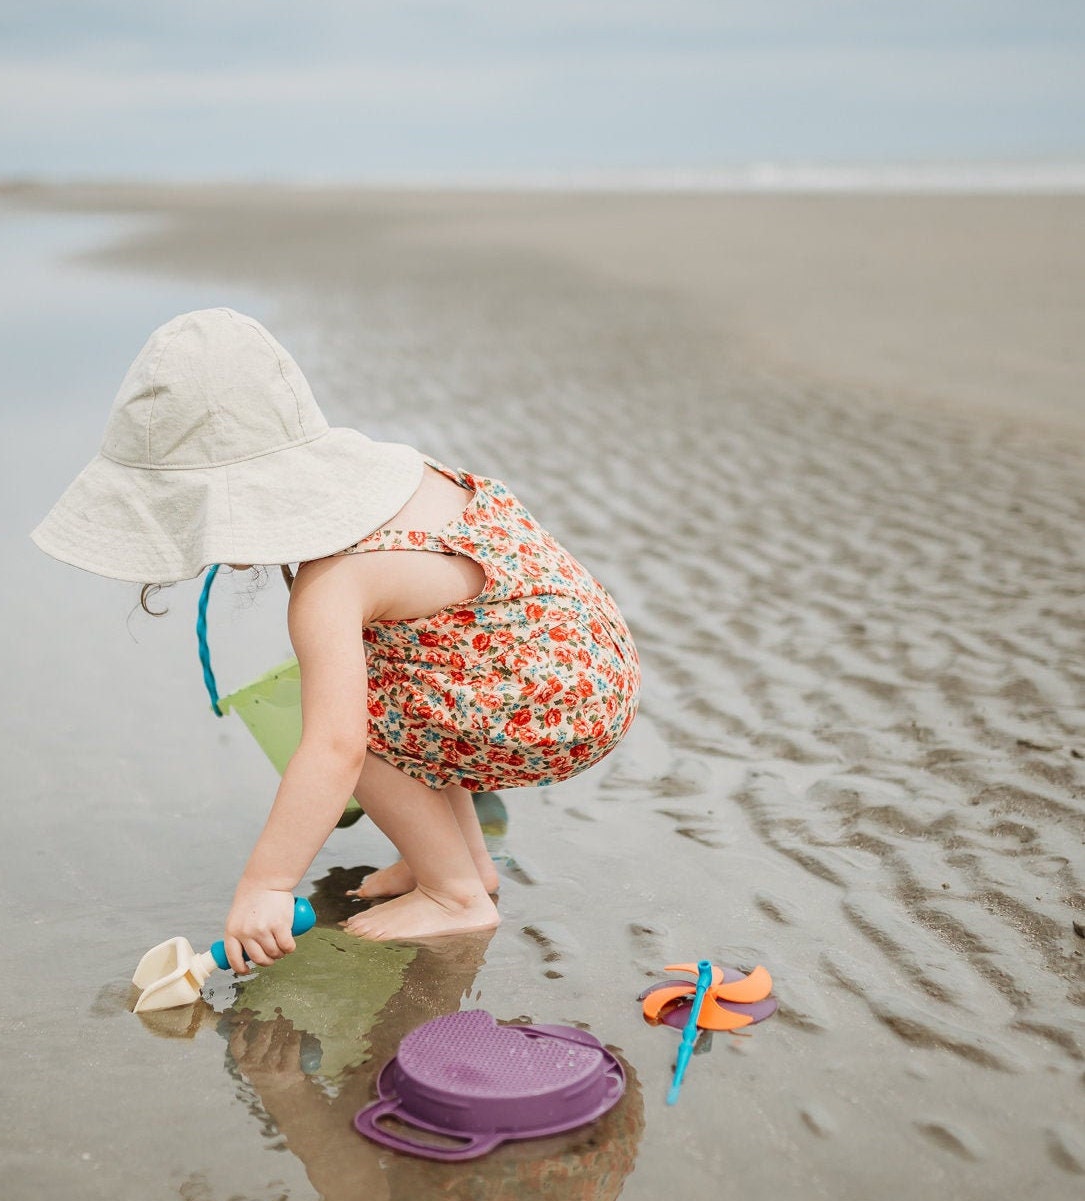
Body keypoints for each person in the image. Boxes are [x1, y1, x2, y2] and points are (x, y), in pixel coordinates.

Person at [31, 308, 639, 968]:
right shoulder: (402, 470)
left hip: (553, 710)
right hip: (586, 661)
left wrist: (265, 884)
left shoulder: (328, 586)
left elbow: (336, 748)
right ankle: (456, 857)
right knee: (398, 673)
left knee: (346, 720)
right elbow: (451, 647)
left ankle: (455, 893)